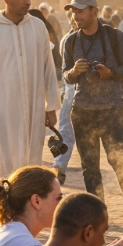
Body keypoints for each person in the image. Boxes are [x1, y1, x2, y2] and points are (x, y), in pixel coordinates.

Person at [62, 0, 123, 226]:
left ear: (94, 12)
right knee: (90, 168)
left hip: (111, 109)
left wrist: (110, 73)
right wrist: (75, 72)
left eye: (80, 10)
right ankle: (98, 218)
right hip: (82, 111)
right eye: (73, 11)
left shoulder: (114, 37)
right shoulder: (70, 40)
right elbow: (66, 77)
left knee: (119, 161)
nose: (75, 15)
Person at [0, 0, 60, 180]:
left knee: (31, 161)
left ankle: (28, 209)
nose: (27, 2)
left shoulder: (38, 27)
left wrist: (51, 105)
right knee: (4, 161)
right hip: (1, 109)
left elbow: (48, 68)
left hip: (33, 107)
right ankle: (5, 208)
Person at [53, 15, 79, 184]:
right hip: (71, 90)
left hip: (88, 93)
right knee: (66, 130)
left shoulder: (96, 38)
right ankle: (59, 166)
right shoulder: (67, 40)